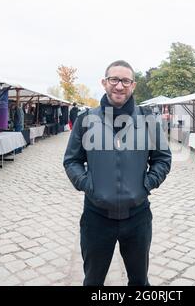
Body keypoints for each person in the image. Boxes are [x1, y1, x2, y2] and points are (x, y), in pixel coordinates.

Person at [63, 60, 172, 286]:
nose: (119, 86)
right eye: (114, 79)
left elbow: (163, 158)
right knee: (93, 281)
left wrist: (147, 184)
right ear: (104, 82)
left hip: (138, 217)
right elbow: (72, 160)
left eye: (125, 81)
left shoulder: (148, 120)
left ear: (133, 85)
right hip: (96, 217)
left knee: (140, 281)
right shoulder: (86, 119)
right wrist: (87, 184)